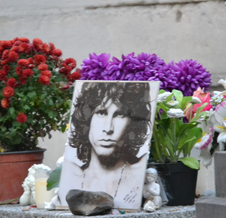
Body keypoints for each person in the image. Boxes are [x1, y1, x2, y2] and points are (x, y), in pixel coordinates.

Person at [58, 81, 157, 210]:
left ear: (132, 123)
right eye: (101, 112)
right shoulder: (70, 177)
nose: (108, 128)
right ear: (86, 118)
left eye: (120, 114)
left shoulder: (141, 174)